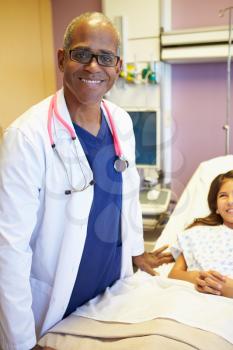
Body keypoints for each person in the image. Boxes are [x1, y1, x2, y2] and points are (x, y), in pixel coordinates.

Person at [0, 12, 173, 350]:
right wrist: (20, 342)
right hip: (57, 303)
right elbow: (9, 247)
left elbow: (129, 194)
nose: (94, 67)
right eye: (82, 54)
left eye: (105, 58)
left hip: (111, 290)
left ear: (118, 66)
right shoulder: (26, 136)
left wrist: (138, 251)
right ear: (62, 59)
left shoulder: (121, 122)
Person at [169, 170, 233, 299]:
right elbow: (174, 273)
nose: (230, 201)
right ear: (216, 206)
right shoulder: (198, 234)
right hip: (197, 298)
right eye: (223, 195)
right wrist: (197, 277)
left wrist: (227, 289)